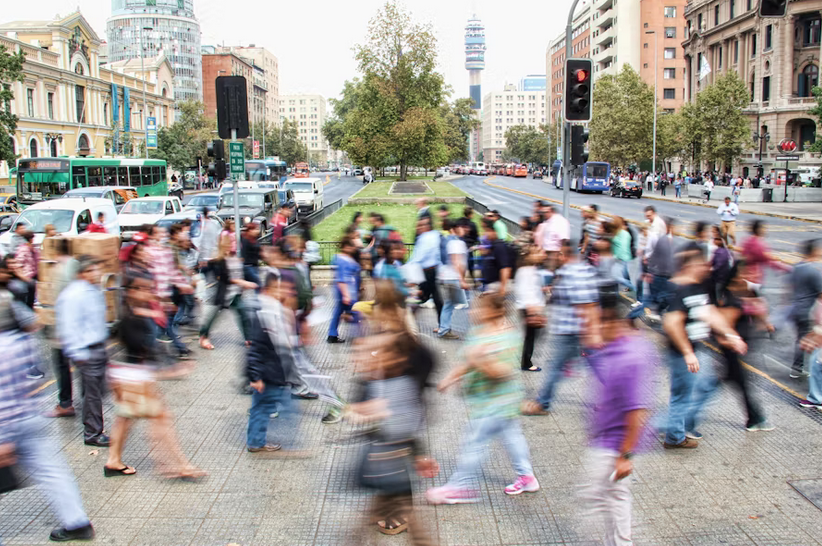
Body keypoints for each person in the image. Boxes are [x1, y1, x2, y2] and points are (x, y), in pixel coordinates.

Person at [0, 292, 96, 542]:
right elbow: (38, 377)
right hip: (33, 417)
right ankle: (77, 522)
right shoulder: (22, 341)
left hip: (7, 425)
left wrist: (5, 439)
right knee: (54, 471)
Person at [427, 292, 539, 504]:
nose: (473, 311)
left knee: (474, 442)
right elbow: (467, 361)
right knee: (512, 436)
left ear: (495, 312)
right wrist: (450, 379)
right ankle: (527, 477)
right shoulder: (478, 331)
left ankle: (462, 487)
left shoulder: (507, 336)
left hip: (496, 401)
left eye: (479, 308)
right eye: (473, 307)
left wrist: (480, 360)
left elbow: (503, 371)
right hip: (489, 400)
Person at [104, 272, 205, 480]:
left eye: (150, 288)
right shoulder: (132, 318)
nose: (149, 292)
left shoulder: (136, 313)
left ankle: (114, 461)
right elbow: (143, 351)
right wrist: (171, 371)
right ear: (131, 291)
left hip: (126, 376)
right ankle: (177, 465)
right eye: (143, 288)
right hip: (134, 379)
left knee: (125, 420)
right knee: (161, 419)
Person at [583, 283, 655, 546]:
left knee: (597, 500)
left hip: (614, 446)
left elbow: (638, 410)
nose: (594, 329)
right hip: (608, 441)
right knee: (614, 498)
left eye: (598, 322)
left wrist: (625, 455)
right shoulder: (621, 347)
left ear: (612, 321)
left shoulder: (630, 356)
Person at [662, 250, 747, 449]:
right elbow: (672, 322)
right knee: (683, 396)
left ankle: (676, 429)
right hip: (684, 353)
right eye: (702, 265)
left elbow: (710, 314)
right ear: (691, 267)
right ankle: (672, 434)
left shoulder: (697, 289)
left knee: (703, 387)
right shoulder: (683, 290)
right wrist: (687, 352)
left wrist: (731, 335)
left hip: (695, 349)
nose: (707, 268)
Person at [524, 239, 601, 415]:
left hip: (572, 331)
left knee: (557, 367)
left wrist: (591, 333)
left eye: (559, 253)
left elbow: (586, 305)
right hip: (572, 330)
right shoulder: (580, 269)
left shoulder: (574, 272)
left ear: (565, 254)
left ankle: (543, 404)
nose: (556, 256)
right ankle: (612, 400)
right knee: (595, 366)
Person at [246, 271, 304, 454]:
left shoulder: (275, 310)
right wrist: (255, 376)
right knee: (262, 408)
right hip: (266, 372)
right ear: (270, 289)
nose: (286, 292)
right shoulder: (264, 313)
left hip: (273, 370)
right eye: (282, 288)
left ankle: (257, 441)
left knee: (264, 407)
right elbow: (255, 348)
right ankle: (256, 442)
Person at [56, 256, 110, 447]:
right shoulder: (74, 294)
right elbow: (69, 326)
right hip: (87, 351)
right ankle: (93, 433)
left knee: (95, 392)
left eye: (97, 270)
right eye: (91, 270)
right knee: (92, 394)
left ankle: (93, 426)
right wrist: (78, 354)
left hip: (98, 347)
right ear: (81, 273)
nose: (96, 274)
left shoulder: (94, 290)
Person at [199, 234, 256, 350]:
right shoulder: (220, 260)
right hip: (224, 294)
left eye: (235, 241)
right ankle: (203, 336)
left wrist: (245, 284)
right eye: (232, 242)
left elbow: (240, 273)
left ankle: (249, 338)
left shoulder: (235, 258)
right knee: (214, 317)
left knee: (243, 314)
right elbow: (224, 277)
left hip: (235, 294)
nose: (235, 244)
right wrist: (242, 282)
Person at [44, 238, 79, 418]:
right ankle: (88, 399)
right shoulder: (77, 265)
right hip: (78, 327)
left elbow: (57, 301)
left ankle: (65, 404)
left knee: (61, 364)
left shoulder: (58, 269)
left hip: (64, 328)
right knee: (80, 363)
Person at [788, 239, 822, 379]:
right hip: (807, 311)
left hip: (796, 307)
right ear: (814, 252)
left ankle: (797, 367)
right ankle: (799, 369)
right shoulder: (814, 271)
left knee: (801, 339)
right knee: (812, 340)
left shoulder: (797, 267)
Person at [408, 217, 444, 325]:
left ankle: (442, 325)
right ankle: (442, 325)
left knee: (424, 298)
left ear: (427, 226)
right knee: (429, 298)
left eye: (421, 225)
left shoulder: (426, 238)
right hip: (429, 272)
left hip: (427, 272)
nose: (418, 228)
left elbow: (418, 256)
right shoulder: (434, 235)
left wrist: (408, 267)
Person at [437, 219, 468, 340]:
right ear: (454, 229)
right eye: (461, 227)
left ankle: (444, 328)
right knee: (459, 303)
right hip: (453, 278)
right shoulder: (456, 242)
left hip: (446, 276)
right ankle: (445, 329)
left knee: (449, 304)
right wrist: (462, 280)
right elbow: (456, 262)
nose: (463, 230)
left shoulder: (447, 240)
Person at [515, 246, 545, 372]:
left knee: (531, 336)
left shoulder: (530, 270)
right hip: (529, 308)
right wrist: (532, 312)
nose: (542, 253)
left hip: (530, 308)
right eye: (538, 252)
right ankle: (526, 363)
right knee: (530, 337)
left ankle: (526, 361)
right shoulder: (526, 271)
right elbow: (524, 292)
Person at [327, 236, 361, 343]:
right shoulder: (344, 260)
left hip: (345, 291)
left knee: (338, 312)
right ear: (346, 247)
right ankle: (358, 336)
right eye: (352, 246)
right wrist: (346, 295)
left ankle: (332, 334)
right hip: (347, 291)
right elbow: (342, 279)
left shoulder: (340, 259)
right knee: (356, 312)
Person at [740, 220, 791, 285]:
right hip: (753, 277)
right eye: (764, 228)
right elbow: (768, 260)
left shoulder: (748, 240)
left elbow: (743, 253)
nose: (765, 230)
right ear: (758, 229)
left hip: (745, 275)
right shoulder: (758, 244)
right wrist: (787, 268)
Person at [479, 218, 513, 296]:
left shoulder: (499, 246)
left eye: (487, 231)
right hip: (492, 286)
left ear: (494, 231)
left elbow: (505, 268)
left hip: (497, 286)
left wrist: (503, 288)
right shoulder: (493, 246)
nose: (485, 234)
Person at [534, 204, 570, 270]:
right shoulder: (548, 221)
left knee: (551, 271)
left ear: (552, 211)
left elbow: (564, 240)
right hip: (546, 251)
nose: (544, 214)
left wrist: (562, 254)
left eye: (545, 212)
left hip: (555, 252)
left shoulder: (560, 221)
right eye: (543, 212)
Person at [12, 230, 37, 308]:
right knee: (28, 299)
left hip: (32, 275)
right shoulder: (23, 249)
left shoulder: (31, 248)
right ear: (30, 239)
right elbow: (18, 264)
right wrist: (24, 277)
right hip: (27, 277)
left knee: (31, 298)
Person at [456, 206, 480, 285]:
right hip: (469, 247)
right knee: (470, 264)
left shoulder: (459, 221)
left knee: (460, 264)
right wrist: (476, 243)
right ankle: (473, 280)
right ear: (470, 214)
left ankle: (460, 280)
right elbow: (476, 236)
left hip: (459, 246)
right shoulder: (472, 224)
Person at [241, 222, 262, 287]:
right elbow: (243, 253)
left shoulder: (254, 239)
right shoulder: (246, 240)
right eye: (255, 229)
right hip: (248, 266)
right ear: (250, 230)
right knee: (258, 285)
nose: (257, 231)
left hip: (254, 265)